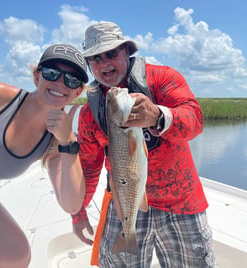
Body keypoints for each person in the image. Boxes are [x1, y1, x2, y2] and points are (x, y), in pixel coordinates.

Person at [71, 22, 218, 268]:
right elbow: (88, 167)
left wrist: (159, 116)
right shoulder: (90, 113)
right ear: (89, 65)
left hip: (181, 201)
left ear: (126, 52)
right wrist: (78, 212)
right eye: (95, 58)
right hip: (125, 204)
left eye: (111, 53)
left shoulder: (162, 78)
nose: (104, 63)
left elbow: (196, 120)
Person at [0, 44, 88, 268]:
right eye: (51, 73)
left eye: (72, 80)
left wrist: (68, 143)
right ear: (37, 76)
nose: (60, 83)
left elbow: (71, 204)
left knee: (16, 257)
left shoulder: (56, 141)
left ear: (78, 92)